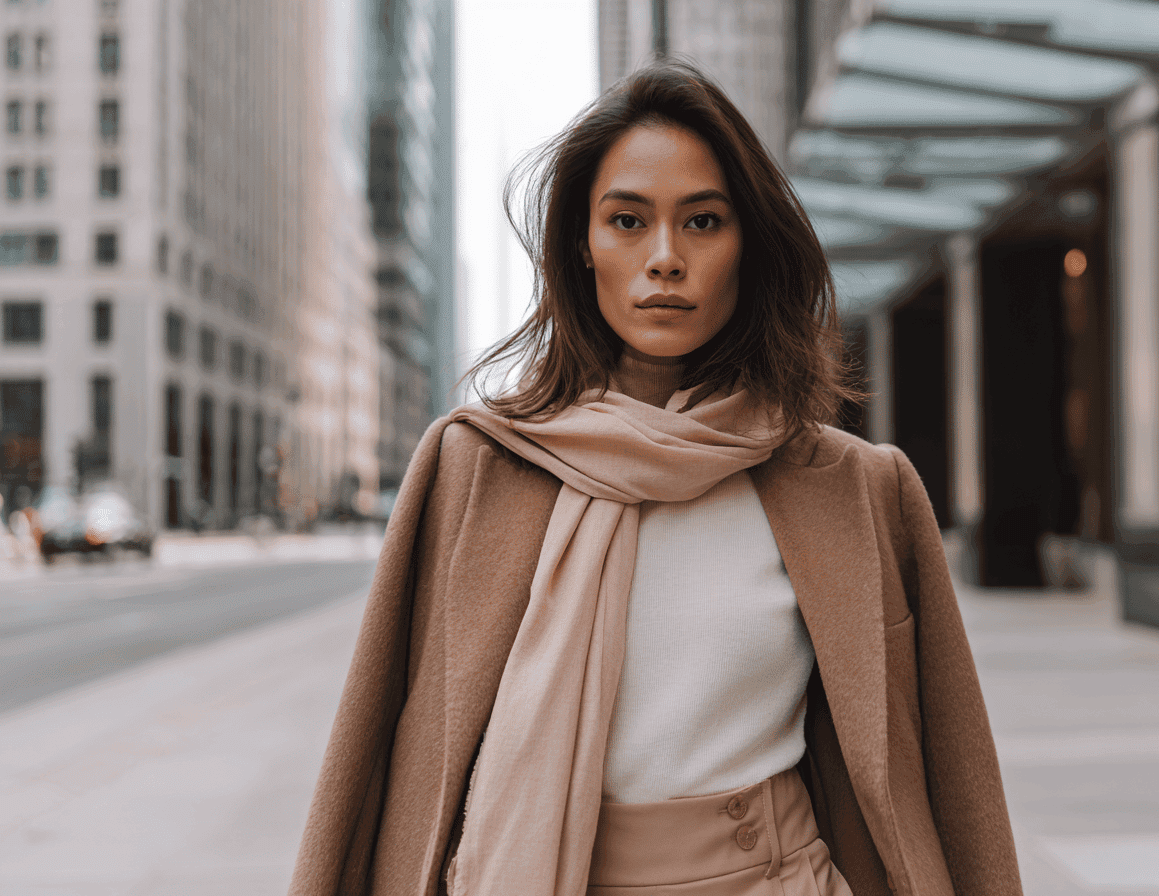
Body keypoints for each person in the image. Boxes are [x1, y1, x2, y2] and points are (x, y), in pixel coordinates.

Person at [289, 61, 1021, 896]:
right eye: (628, 221)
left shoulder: (857, 488)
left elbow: (953, 788)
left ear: (749, 245)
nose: (665, 259)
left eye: (703, 222)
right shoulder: (474, 468)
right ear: (583, 244)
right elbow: (376, 762)